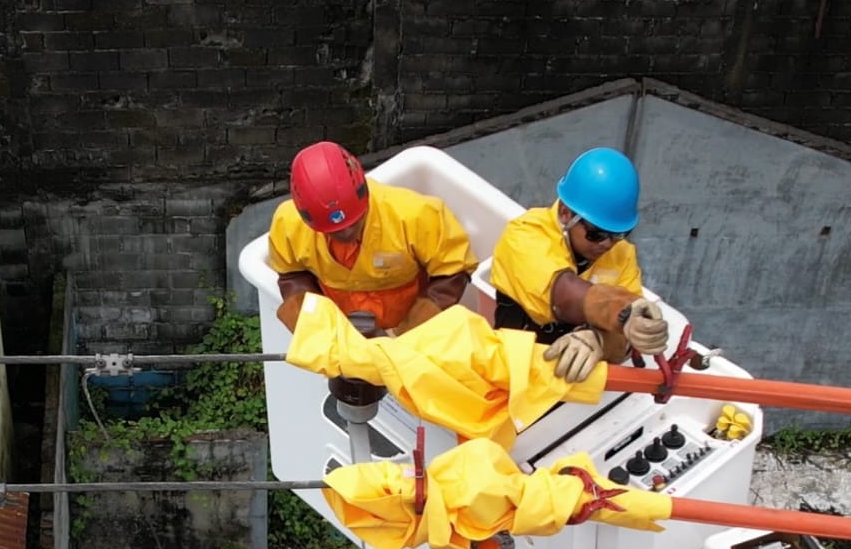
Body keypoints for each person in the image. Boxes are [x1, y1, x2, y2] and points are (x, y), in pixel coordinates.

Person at [489, 147, 669, 382]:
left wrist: (601, 340)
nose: (608, 244)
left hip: (578, 383)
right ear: (565, 213)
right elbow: (560, 294)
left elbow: (624, 340)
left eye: (620, 234)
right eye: (597, 234)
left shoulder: (621, 253)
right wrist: (622, 311)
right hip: (513, 371)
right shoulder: (524, 235)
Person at [268, 141, 477, 335]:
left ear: (364, 194)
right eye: (334, 230)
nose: (346, 233)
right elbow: (291, 273)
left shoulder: (416, 215)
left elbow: (453, 269)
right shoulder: (288, 225)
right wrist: (313, 320)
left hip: (408, 331)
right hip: (340, 334)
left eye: (355, 222)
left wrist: (416, 327)